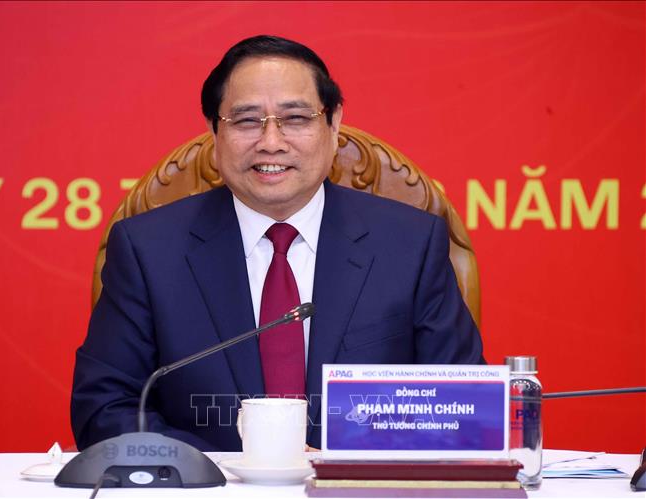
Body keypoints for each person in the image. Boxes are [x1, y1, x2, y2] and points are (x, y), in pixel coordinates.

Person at [71, 35, 484, 452]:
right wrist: (234, 467)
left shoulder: (410, 245)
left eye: (296, 118)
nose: (271, 142)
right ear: (214, 131)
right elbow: (104, 409)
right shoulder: (148, 250)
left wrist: (347, 466)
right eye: (247, 121)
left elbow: (463, 411)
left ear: (334, 124)